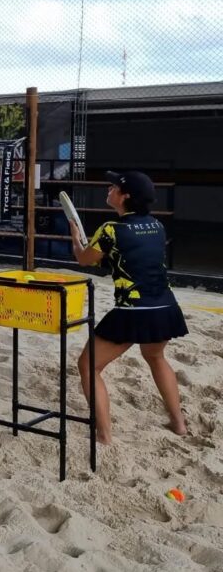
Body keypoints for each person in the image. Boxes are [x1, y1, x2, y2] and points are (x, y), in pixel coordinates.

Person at [69, 170, 188, 445]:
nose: (109, 190)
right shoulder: (157, 226)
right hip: (166, 307)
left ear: (125, 197)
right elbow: (124, 258)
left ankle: (104, 436)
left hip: (133, 311)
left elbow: (85, 259)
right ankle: (179, 424)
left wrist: (76, 238)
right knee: (156, 357)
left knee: (88, 365)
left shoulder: (111, 229)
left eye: (114, 187)